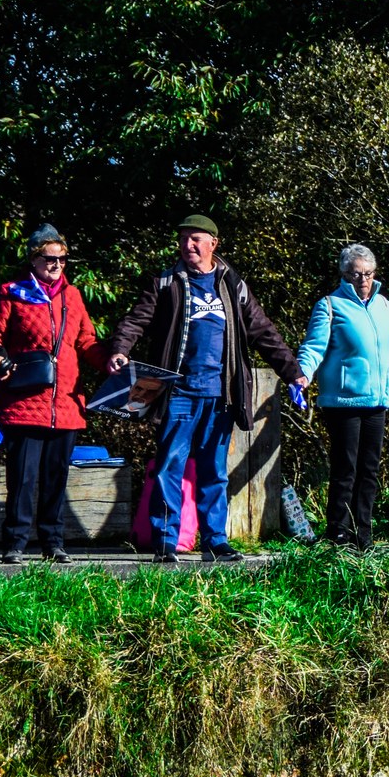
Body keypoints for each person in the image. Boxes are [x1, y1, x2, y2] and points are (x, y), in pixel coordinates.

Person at [108, 214, 302, 563]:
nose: (188, 245)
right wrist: (121, 349)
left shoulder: (232, 284)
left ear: (214, 243)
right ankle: (165, 542)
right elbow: (136, 319)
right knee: (170, 466)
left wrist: (292, 372)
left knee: (214, 470)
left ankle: (216, 541)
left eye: (196, 239)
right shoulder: (167, 282)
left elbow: (262, 330)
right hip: (178, 393)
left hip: (221, 394)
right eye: (183, 239)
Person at [0, 225, 109, 564]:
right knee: (22, 479)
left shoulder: (73, 297)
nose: (56, 264)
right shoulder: (11, 292)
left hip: (65, 402)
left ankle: (53, 542)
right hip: (25, 402)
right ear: (33, 259)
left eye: (62, 259)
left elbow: (86, 341)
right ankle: (15, 542)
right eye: (49, 258)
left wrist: (109, 361)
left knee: (56, 479)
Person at [297, 244, 389, 549]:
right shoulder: (330, 305)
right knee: (346, 469)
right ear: (345, 274)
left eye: (368, 273)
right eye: (356, 274)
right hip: (344, 401)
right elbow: (314, 347)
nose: (363, 280)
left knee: (369, 470)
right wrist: (302, 373)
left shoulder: (383, 305)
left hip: (378, 400)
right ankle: (338, 534)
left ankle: (363, 536)